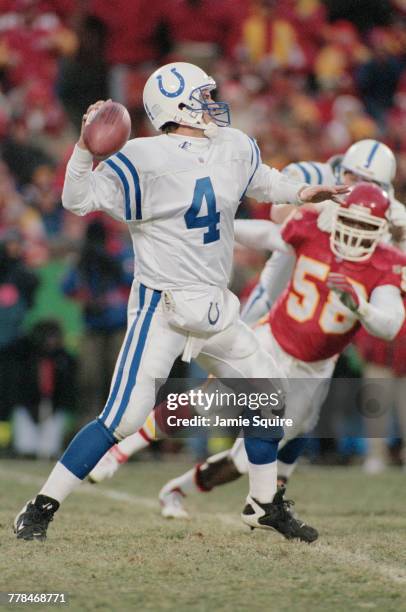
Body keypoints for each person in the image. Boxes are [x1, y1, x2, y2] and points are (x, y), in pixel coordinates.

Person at [14, 61, 345, 542]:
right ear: (180, 104)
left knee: (270, 399)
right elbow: (77, 199)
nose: (214, 102)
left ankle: (263, 503)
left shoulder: (232, 146)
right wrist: (84, 149)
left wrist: (302, 191)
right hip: (162, 308)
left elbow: (263, 180)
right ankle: (40, 507)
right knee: (122, 419)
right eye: (204, 95)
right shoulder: (141, 157)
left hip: (215, 305)